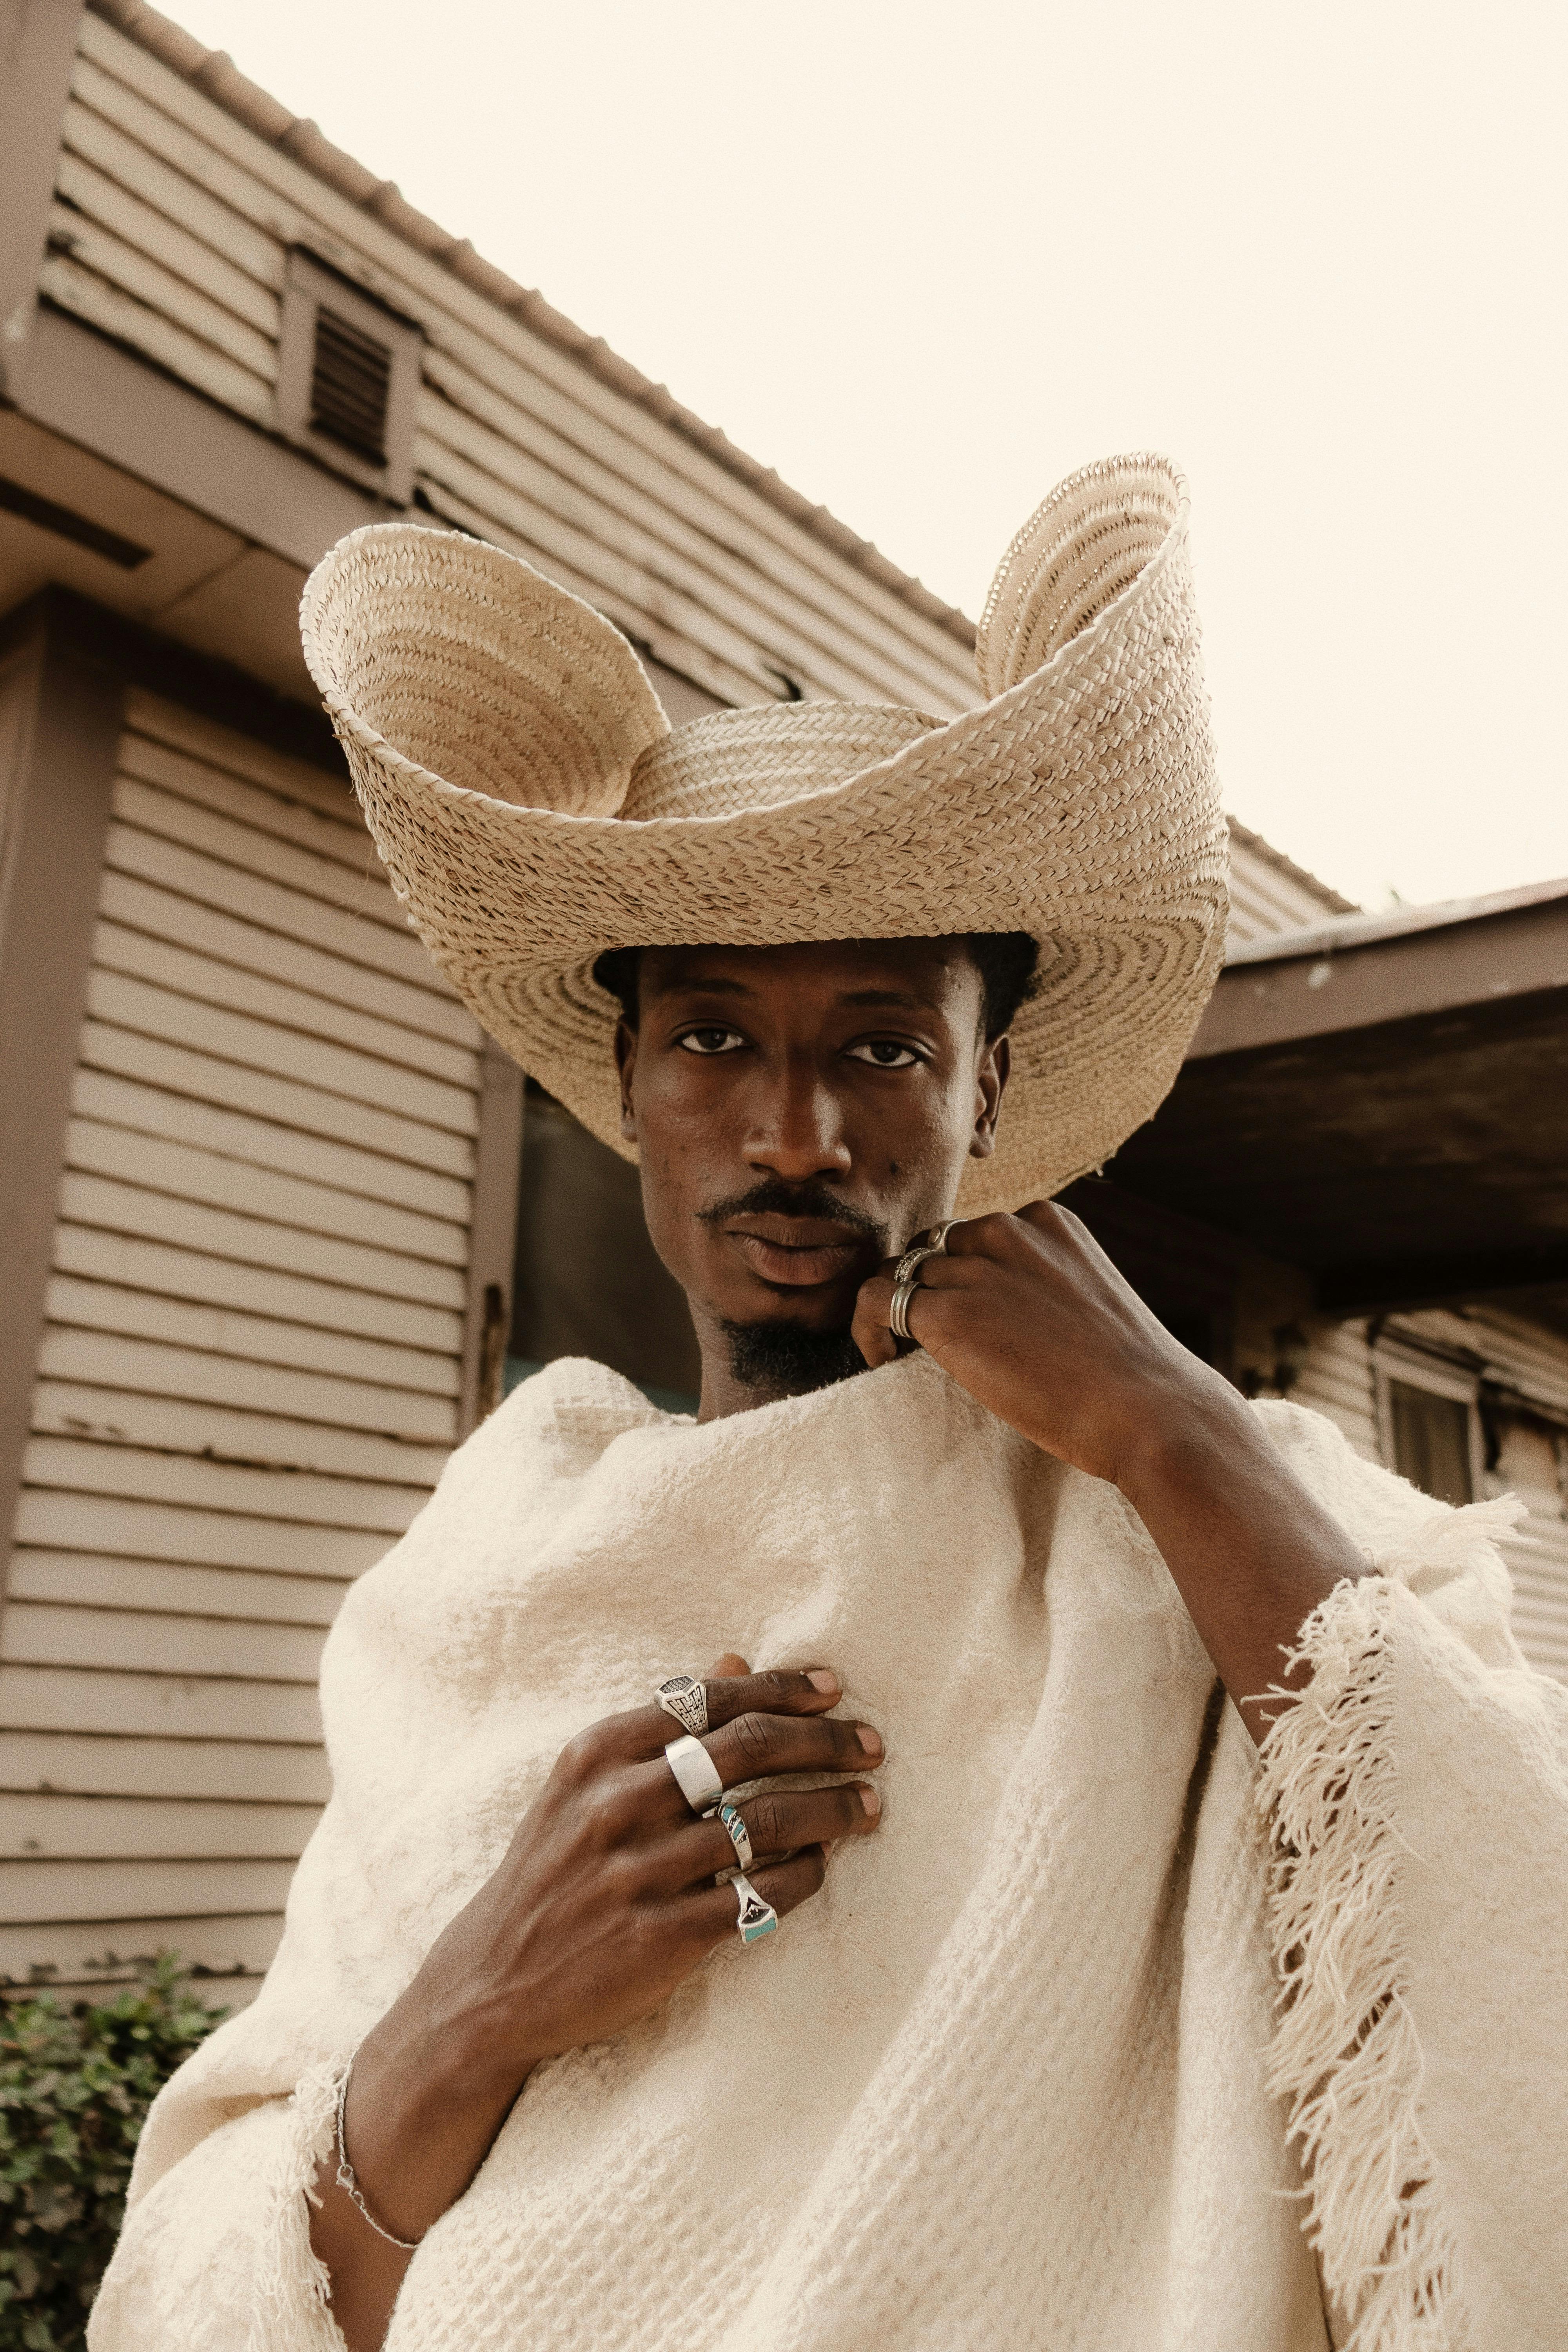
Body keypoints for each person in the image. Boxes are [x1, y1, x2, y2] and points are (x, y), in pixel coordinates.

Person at [91, 459, 1567, 2352]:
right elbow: (208, 2288)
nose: (794, 1135)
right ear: (626, 1087)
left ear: (984, 1090)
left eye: (882, 1045)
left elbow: (1518, 1942)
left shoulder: (1232, 1509)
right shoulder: (467, 1602)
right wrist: (475, 2002)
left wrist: (1162, 1426)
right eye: (712, 1037)